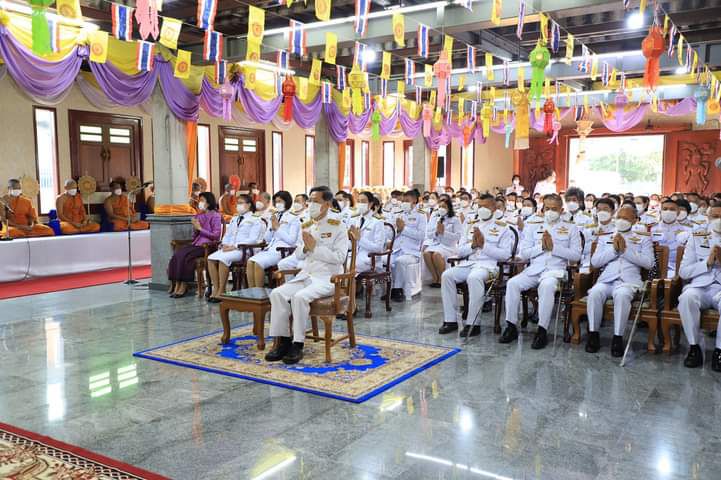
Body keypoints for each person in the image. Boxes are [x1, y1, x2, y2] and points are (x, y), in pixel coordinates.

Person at [265, 187, 349, 365]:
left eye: (316, 201)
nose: (311, 205)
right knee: (277, 294)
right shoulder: (307, 224)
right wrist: (305, 248)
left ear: (327, 204)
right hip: (306, 275)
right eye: (310, 201)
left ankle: (298, 344)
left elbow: (340, 257)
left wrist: (315, 248)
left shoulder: (338, 226)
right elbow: (298, 254)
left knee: (299, 297)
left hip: (327, 278)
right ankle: (283, 341)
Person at [499, 194, 582, 349]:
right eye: (547, 208)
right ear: (542, 209)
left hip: (555, 271)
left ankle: (542, 330)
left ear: (561, 210)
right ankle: (511, 326)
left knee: (546, 286)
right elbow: (524, 253)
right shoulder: (533, 225)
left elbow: (576, 255)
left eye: (554, 209)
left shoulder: (571, 228)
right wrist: (542, 247)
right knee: (512, 284)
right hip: (534, 270)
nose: (550, 211)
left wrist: (554, 248)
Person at [439, 194, 514, 336]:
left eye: (485, 206)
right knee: (447, 275)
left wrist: (484, 246)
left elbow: (505, 255)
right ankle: (450, 320)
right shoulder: (470, 224)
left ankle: (473, 323)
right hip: (470, 263)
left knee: (474, 277)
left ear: (494, 208)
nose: (481, 209)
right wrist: (473, 246)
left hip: (490, 266)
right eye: (479, 206)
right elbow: (459, 251)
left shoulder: (503, 227)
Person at [584, 205, 654, 355]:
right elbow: (595, 262)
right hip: (607, 280)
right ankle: (593, 334)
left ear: (635, 220)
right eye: (619, 217)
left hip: (629, 281)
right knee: (595, 293)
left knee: (621, 295)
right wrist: (614, 250)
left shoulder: (643, 238)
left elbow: (649, 263)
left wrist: (625, 250)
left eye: (626, 218)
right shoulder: (605, 237)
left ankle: (618, 338)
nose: (621, 221)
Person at [677, 203, 721, 371]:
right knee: (687, 298)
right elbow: (684, 272)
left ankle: (719, 351)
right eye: (715, 216)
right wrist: (707, 264)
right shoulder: (697, 237)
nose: (718, 220)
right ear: (708, 218)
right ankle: (694, 347)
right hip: (700, 286)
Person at [206, 194, 266, 301]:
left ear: (249, 205)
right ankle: (216, 288)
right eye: (237, 203)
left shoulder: (255, 219)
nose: (238, 205)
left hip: (243, 249)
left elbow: (253, 239)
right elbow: (228, 234)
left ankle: (222, 290)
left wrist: (234, 246)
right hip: (229, 248)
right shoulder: (235, 218)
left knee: (223, 259)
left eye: (241, 203)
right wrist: (224, 244)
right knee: (210, 259)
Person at [167, 192, 223, 298]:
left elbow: (216, 236)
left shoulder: (215, 216)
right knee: (178, 254)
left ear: (208, 202)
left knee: (186, 256)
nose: (199, 203)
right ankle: (177, 283)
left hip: (208, 246)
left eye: (202, 200)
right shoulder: (199, 215)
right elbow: (194, 236)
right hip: (196, 244)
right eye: (199, 200)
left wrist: (200, 228)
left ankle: (183, 285)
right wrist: (195, 229)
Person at [246, 191, 301, 288]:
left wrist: (278, 228)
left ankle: (259, 292)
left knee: (258, 263)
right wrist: (271, 227)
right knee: (250, 262)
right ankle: (252, 291)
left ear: (287, 202)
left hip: (282, 250)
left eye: (280, 201)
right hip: (270, 248)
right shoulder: (274, 216)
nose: (277, 204)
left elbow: (292, 240)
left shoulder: (294, 218)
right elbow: (267, 238)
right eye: (276, 202)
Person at [389, 189, 427, 302]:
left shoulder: (421, 215)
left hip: (412, 251)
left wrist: (404, 229)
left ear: (414, 200)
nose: (404, 203)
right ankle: (388, 288)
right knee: (385, 260)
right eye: (403, 200)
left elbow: (421, 235)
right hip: (397, 249)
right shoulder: (399, 214)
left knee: (400, 261)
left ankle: (397, 289)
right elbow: (391, 233)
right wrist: (397, 230)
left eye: (407, 200)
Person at [423, 196, 462, 288]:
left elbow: (458, 236)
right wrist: (436, 232)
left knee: (436, 255)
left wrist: (444, 232)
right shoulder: (435, 218)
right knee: (426, 254)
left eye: (444, 206)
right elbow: (428, 234)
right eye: (440, 206)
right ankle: (435, 278)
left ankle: (442, 279)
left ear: (449, 208)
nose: (441, 208)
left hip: (449, 246)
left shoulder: (455, 219)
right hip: (436, 244)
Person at [650, 199, 691, 277]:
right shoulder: (651, 228)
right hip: (656, 267)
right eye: (665, 209)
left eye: (672, 209)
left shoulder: (687, 230)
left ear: (678, 212)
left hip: (677, 267)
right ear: (660, 211)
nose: (668, 211)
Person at [352, 191, 386, 276]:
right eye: (358, 201)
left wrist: (360, 239)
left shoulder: (377, 222)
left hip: (369, 259)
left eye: (363, 201)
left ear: (370, 204)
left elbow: (378, 248)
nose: (360, 204)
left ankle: (352, 284)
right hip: (354, 255)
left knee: (349, 267)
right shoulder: (355, 220)